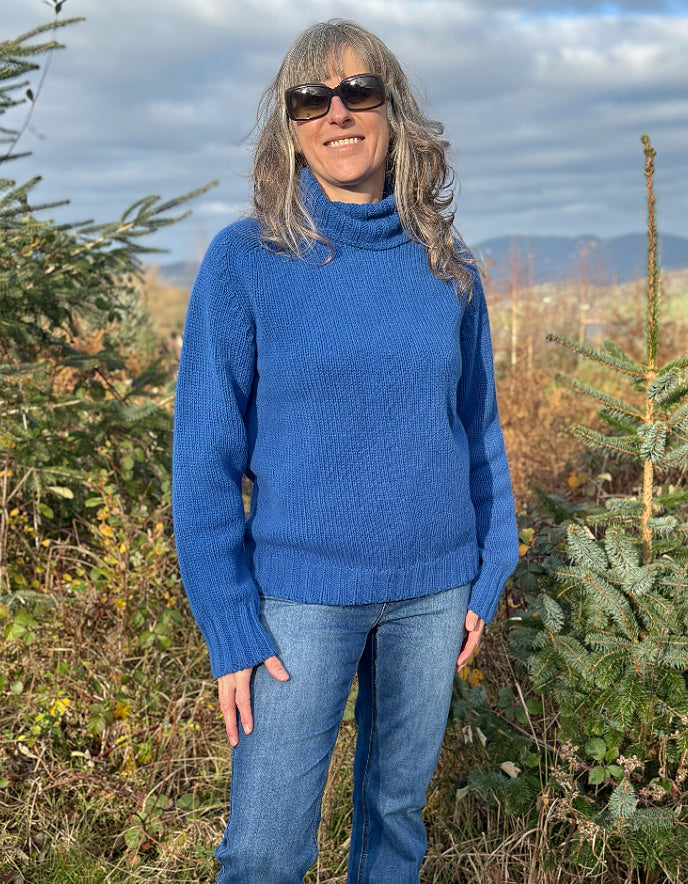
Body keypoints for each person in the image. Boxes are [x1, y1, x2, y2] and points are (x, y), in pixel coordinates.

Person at [172, 18, 518, 884]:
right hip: (298, 604)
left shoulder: (450, 265)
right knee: (263, 848)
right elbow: (204, 456)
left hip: (434, 596)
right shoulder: (246, 260)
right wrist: (229, 624)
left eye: (359, 92)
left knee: (395, 825)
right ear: (288, 125)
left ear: (393, 111)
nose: (337, 112)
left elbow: (477, 429)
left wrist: (490, 566)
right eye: (310, 98)